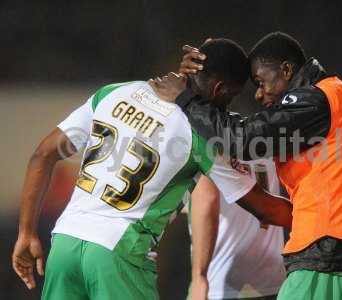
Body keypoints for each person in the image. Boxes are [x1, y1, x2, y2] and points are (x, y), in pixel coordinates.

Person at [11, 38, 264, 300]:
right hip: (119, 253)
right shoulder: (200, 133)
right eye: (231, 96)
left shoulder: (114, 93)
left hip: (65, 243)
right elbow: (261, 206)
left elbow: (43, 155)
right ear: (220, 88)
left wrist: (26, 233)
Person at [154, 32, 342, 300]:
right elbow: (237, 133)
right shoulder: (328, 98)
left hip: (329, 260)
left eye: (260, 81)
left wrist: (187, 98)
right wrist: (199, 89)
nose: (259, 94)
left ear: (286, 69)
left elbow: (242, 139)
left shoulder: (313, 99)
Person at [186, 160, 287, 300]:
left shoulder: (206, 142)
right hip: (273, 275)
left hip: (221, 277)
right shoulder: (273, 140)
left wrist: (199, 276)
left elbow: (207, 200)